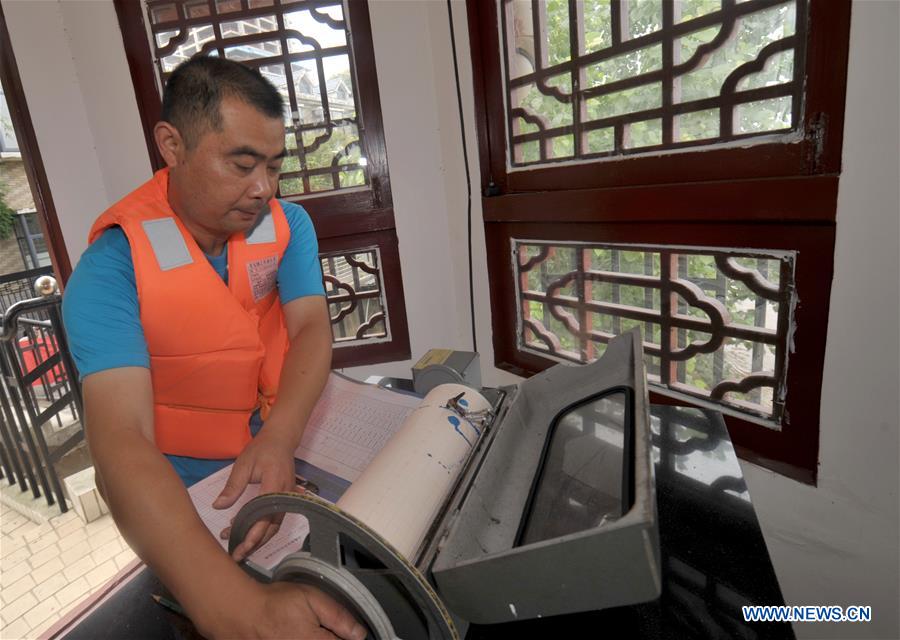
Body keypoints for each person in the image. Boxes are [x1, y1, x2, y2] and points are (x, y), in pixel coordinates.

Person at [62, 56, 365, 640]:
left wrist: (279, 439)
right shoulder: (110, 271)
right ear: (172, 145)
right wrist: (239, 611)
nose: (263, 188)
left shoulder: (287, 226)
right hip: (185, 489)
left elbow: (310, 328)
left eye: (274, 166)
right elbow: (121, 438)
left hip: (282, 440)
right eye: (242, 165)